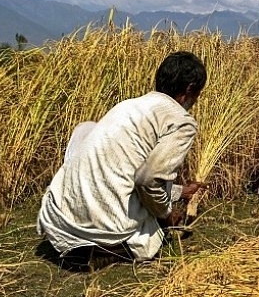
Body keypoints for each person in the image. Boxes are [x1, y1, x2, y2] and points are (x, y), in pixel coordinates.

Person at [37, 51, 207, 264]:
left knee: (87, 129)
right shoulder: (181, 121)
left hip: (60, 225)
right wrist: (166, 215)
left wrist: (180, 192)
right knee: (153, 232)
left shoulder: (128, 106)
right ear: (190, 90)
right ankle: (105, 249)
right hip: (100, 233)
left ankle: (84, 236)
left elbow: (122, 169)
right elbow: (148, 180)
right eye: (198, 94)